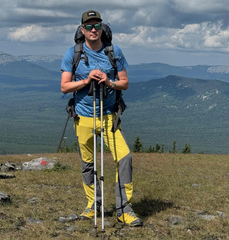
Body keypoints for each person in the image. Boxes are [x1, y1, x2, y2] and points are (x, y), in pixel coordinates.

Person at [60, 10, 143, 227]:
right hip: (84, 116)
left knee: (124, 158)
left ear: (102, 28)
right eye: (88, 26)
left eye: (97, 25)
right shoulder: (73, 53)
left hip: (108, 116)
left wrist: (109, 82)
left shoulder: (114, 52)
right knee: (88, 164)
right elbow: (64, 86)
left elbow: (124, 83)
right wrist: (87, 80)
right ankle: (92, 205)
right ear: (82, 30)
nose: (93, 29)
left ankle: (124, 210)